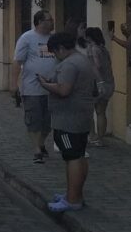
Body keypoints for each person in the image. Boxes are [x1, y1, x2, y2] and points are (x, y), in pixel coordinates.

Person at [38, 32, 96, 213]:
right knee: (79, 155)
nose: (56, 57)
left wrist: (44, 84)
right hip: (81, 115)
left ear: (61, 48)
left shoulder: (70, 64)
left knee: (72, 157)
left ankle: (72, 200)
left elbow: (64, 90)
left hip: (69, 118)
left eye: (55, 53)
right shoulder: (82, 59)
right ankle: (75, 194)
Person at [11, 9, 56, 164]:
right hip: (32, 87)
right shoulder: (27, 38)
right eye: (49, 20)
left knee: (48, 122)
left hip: (52, 88)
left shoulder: (53, 39)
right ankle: (37, 149)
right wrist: (14, 84)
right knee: (34, 119)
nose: (52, 22)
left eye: (51, 20)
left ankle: (42, 142)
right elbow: (17, 61)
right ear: (39, 22)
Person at [84, 27, 115, 146]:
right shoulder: (103, 49)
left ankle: (92, 136)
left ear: (89, 37)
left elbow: (96, 66)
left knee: (89, 111)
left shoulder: (92, 49)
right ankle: (100, 138)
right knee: (101, 112)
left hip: (97, 84)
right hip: (109, 83)